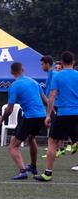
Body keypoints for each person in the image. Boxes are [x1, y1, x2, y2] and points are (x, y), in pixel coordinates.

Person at [0, 62, 47, 180]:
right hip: (41, 115)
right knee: (31, 137)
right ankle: (33, 166)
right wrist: (51, 113)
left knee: (13, 146)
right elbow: (45, 101)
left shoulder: (14, 85)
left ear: (11, 72)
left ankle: (23, 171)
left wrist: (2, 120)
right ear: (23, 70)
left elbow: (9, 108)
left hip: (30, 116)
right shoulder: (34, 82)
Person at [35, 51, 78, 181]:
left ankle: (48, 174)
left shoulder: (58, 76)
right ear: (73, 62)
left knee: (52, 142)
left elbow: (52, 96)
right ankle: (74, 143)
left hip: (64, 113)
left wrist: (48, 114)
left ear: (62, 62)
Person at [40, 55, 66, 158]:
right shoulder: (51, 74)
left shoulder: (54, 74)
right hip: (51, 105)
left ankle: (56, 150)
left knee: (54, 131)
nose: (41, 66)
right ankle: (58, 149)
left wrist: (52, 107)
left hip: (55, 105)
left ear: (47, 64)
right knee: (53, 129)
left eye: (42, 64)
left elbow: (55, 93)